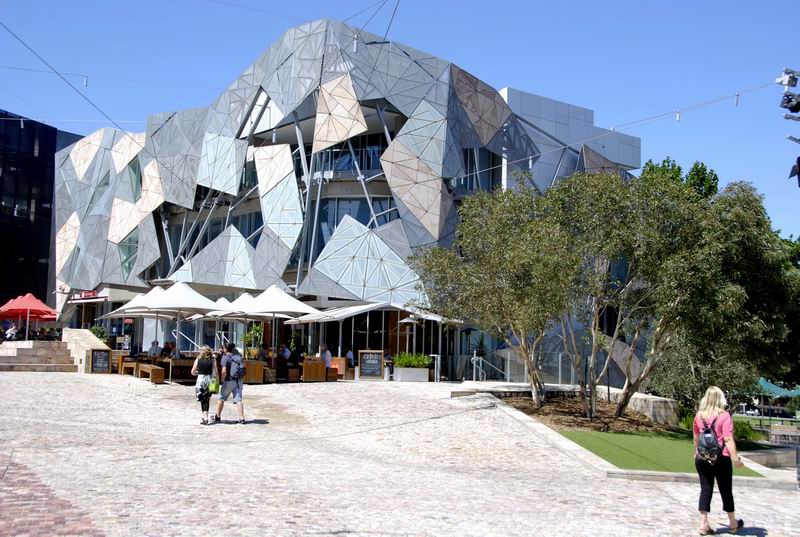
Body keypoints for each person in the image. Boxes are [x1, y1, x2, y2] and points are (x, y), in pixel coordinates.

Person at [693, 386, 744, 535]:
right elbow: (728, 438)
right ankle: (733, 523)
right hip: (722, 458)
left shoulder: (699, 416)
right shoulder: (725, 415)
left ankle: (703, 524)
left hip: (702, 458)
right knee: (726, 490)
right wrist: (736, 459)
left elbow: (696, 438)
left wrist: (695, 454)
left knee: (705, 488)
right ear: (720, 398)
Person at [215, 343, 246, 424]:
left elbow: (224, 371)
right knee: (238, 399)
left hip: (228, 380)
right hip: (238, 381)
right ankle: (241, 418)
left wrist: (222, 380)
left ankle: (217, 416)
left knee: (221, 398)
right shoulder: (238, 357)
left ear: (225, 349)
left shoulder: (225, 358)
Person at [191, 346, 219, 425]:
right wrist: (216, 380)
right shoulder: (213, 360)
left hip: (200, 380)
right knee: (206, 399)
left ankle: (205, 417)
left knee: (202, 400)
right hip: (209, 380)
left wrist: (198, 373)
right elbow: (215, 372)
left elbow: (192, 372)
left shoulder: (198, 360)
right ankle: (205, 417)